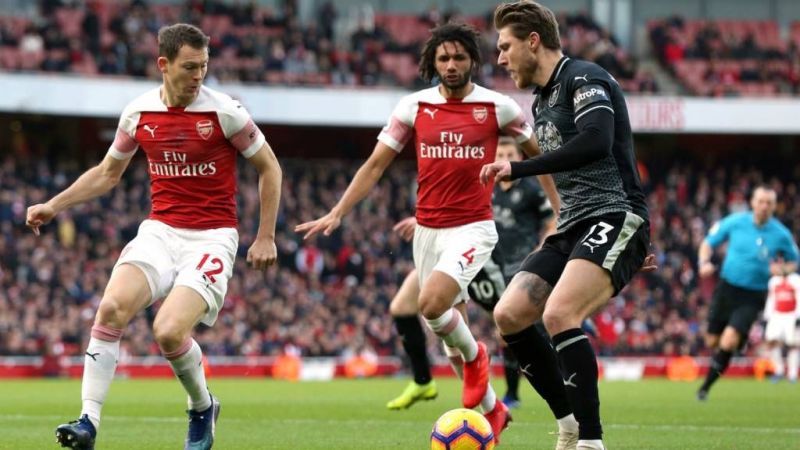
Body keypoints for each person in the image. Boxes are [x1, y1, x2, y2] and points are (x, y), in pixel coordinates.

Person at [295, 22, 555, 443]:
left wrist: (561, 212)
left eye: (459, 57)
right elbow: (376, 164)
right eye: (443, 59)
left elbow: (539, 159)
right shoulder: (413, 107)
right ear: (432, 63)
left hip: (473, 227)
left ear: (473, 59)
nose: (451, 66)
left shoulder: (498, 107)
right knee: (451, 342)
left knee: (431, 304)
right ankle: (495, 411)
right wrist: (338, 211)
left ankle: (479, 361)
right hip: (428, 231)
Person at [26, 24, 282, 450]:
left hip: (212, 237)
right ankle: (88, 421)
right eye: (189, 67)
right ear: (163, 65)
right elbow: (109, 174)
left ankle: (202, 407)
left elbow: (270, 168)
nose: (199, 75)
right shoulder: (139, 113)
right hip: (160, 231)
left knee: (167, 331)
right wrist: (55, 204)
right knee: (111, 309)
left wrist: (266, 236)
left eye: (203, 66)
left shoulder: (225, 112)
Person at [481, 2, 652, 449]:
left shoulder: (583, 77)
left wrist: (519, 169)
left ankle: (591, 443)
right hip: (573, 225)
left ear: (532, 41)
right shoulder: (541, 99)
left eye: (505, 46)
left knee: (558, 313)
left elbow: (596, 141)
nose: (500, 58)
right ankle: (570, 423)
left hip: (615, 215)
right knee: (509, 314)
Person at [385, 137, 558, 411]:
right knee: (402, 305)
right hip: (460, 253)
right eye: (498, 152)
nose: (502, 157)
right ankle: (422, 380)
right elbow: (451, 206)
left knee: (509, 328)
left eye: (509, 153)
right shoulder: (482, 181)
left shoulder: (531, 188)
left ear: (518, 157)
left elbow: (553, 221)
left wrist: (541, 251)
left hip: (503, 266)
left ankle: (512, 393)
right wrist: (422, 221)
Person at [696, 186, 798, 399]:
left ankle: (705, 387)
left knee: (729, 340)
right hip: (727, 288)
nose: (764, 206)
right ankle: (735, 342)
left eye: (769, 203)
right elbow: (708, 242)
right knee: (713, 341)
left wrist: (782, 270)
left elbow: (794, 261)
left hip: (753, 295)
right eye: (760, 201)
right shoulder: (735, 222)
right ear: (752, 202)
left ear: (774, 207)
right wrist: (704, 262)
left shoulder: (781, 234)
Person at [763, 269, 800, 383]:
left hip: (791, 315)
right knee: (771, 341)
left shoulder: (796, 280)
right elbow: (771, 299)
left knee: (793, 344)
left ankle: (792, 374)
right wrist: (767, 315)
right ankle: (778, 370)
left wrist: (798, 315)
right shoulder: (774, 281)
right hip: (777, 315)